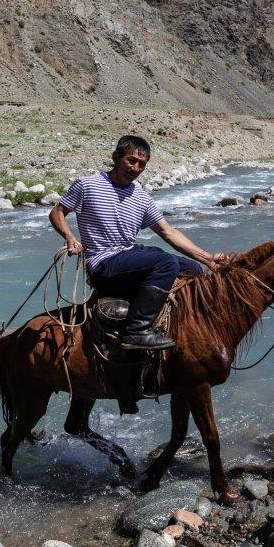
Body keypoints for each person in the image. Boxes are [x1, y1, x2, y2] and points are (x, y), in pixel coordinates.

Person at [49, 135, 220, 411]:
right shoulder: (88, 184)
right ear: (116, 157)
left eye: (142, 164)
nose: (136, 168)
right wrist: (69, 237)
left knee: (193, 269)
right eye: (131, 160)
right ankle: (137, 331)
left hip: (127, 257)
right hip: (104, 264)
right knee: (165, 263)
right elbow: (57, 212)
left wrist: (208, 259)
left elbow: (168, 232)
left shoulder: (141, 196)